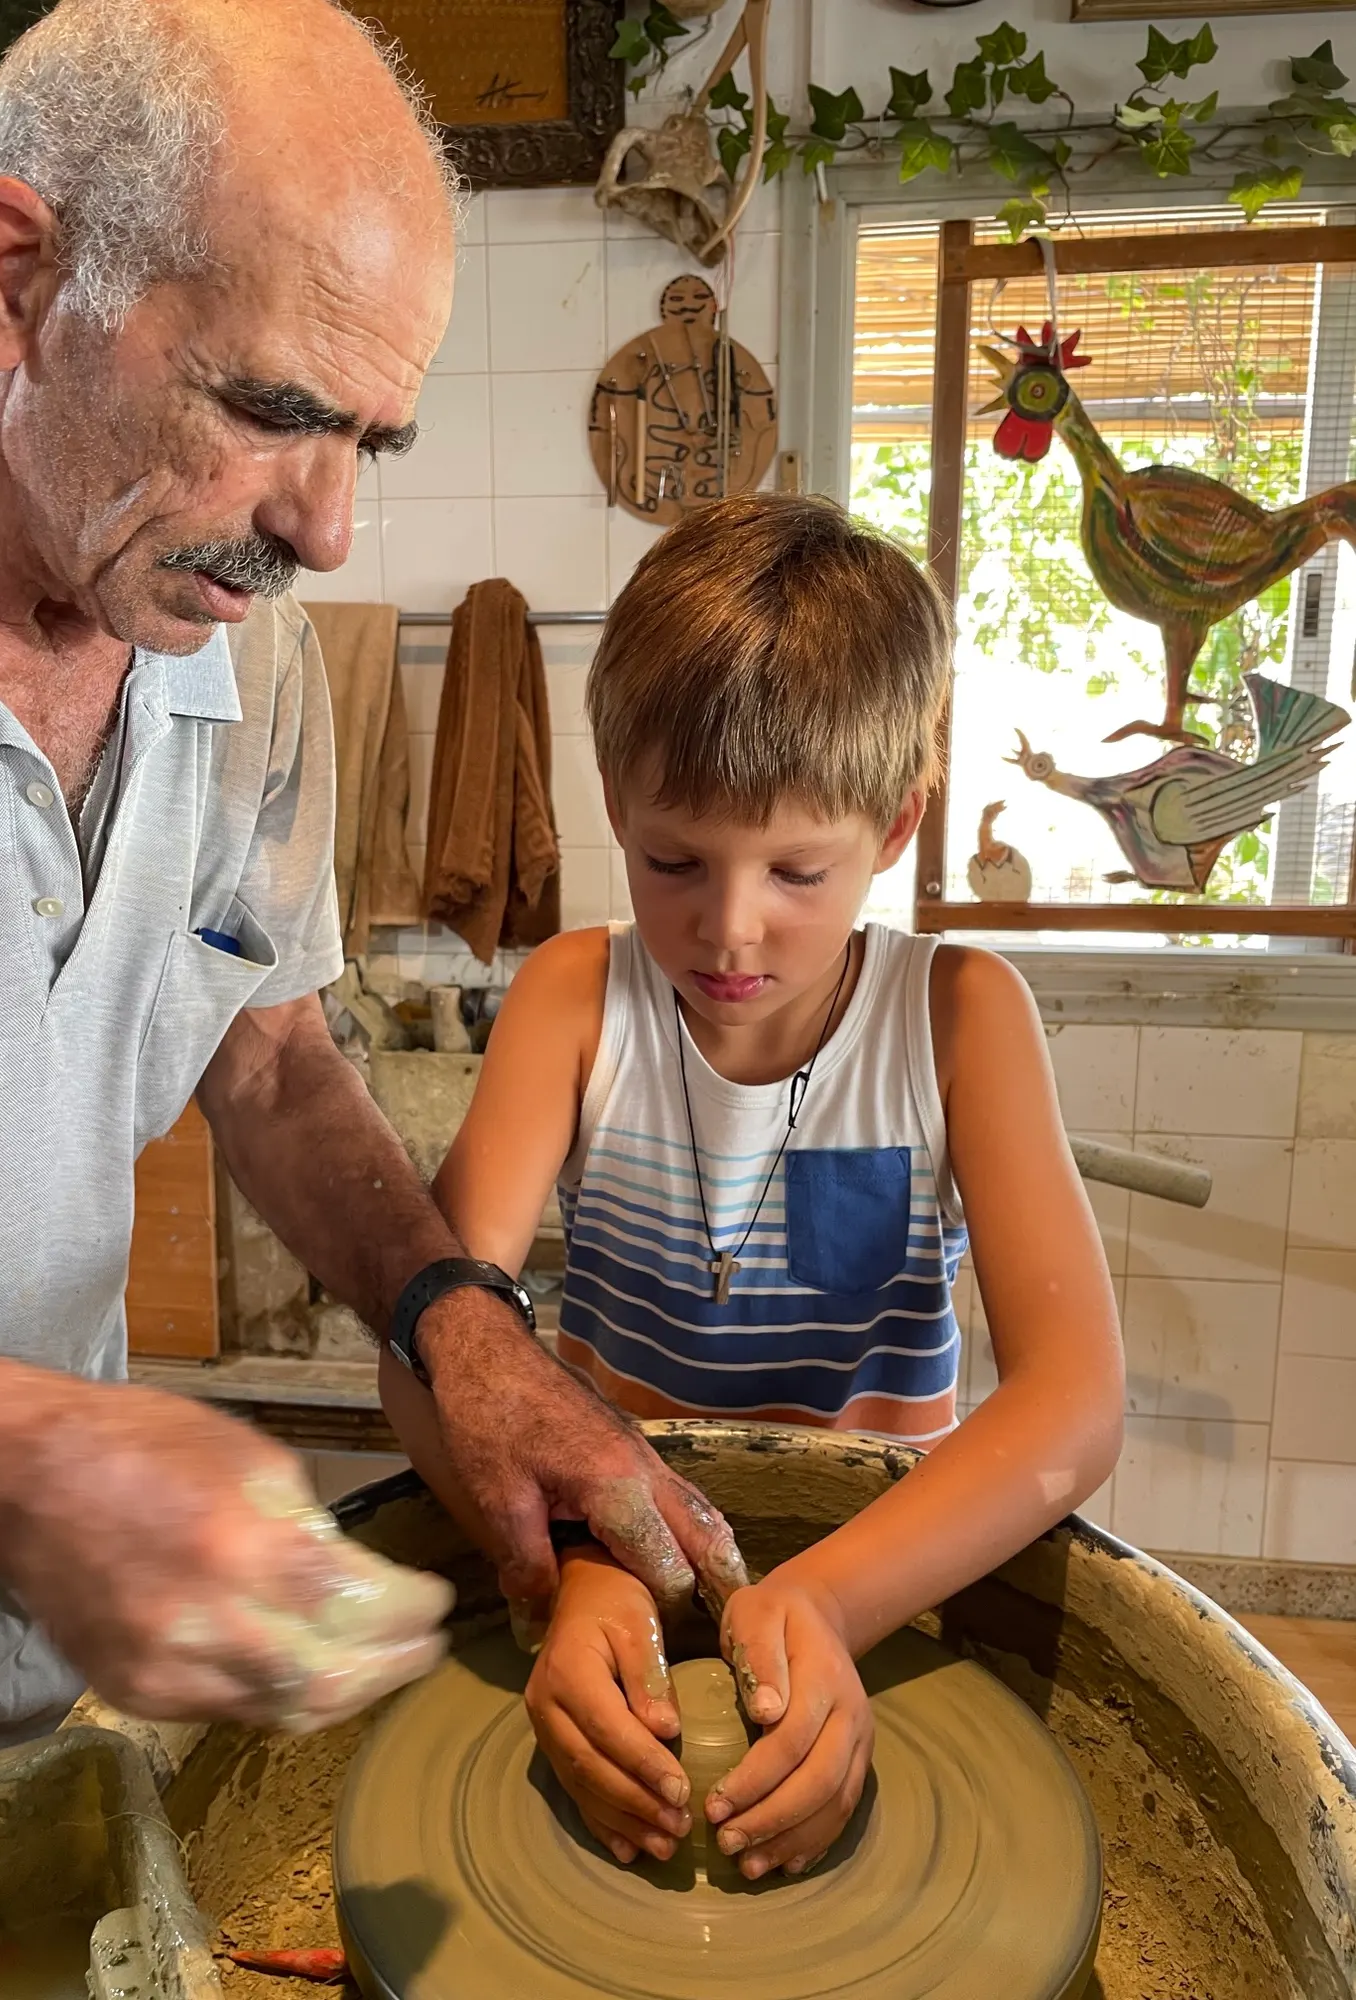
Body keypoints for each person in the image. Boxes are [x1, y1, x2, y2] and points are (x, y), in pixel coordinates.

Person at [0, 0, 743, 1789]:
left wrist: (454, 1320)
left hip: (35, 1562)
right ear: (19, 281)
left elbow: (262, 1053)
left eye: (372, 441)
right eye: (273, 411)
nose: (331, 532)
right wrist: (12, 1459)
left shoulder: (234, 658)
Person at [382, 492, 1126, 1881]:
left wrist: (833, 1603)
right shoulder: (573, 1000)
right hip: (612, 1546)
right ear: (615, 810)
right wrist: (588, 1568)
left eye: (797, 869)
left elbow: (1075, 1405)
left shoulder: (961, 1017)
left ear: (894, 826)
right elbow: (433, 1350)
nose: (728, 929)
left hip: (880, 1565)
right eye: (673, 862)